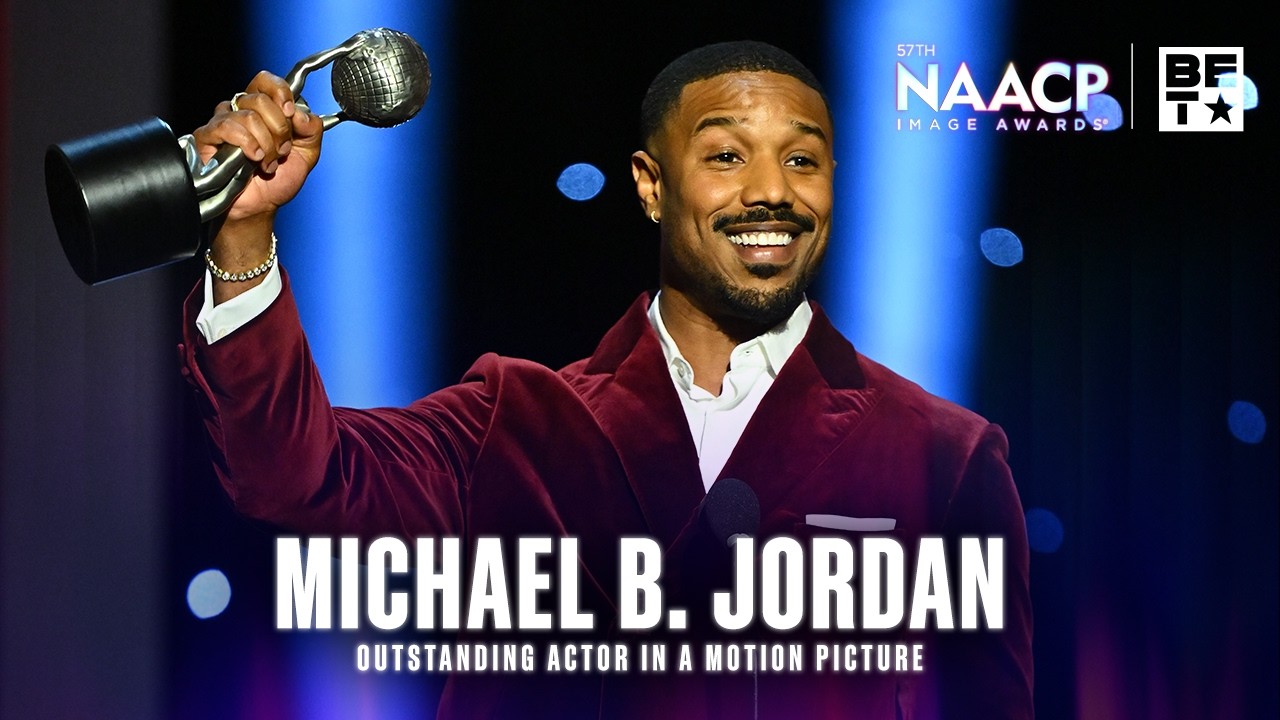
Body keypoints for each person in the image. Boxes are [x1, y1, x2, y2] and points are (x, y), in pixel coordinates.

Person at [178, 41, 1033, 719]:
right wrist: (244, 236)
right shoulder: (513, 420)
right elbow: (292, 477)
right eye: (727, 155)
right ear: (650, 186)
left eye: (803, 161)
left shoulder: (943, 456)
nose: (772, 191)